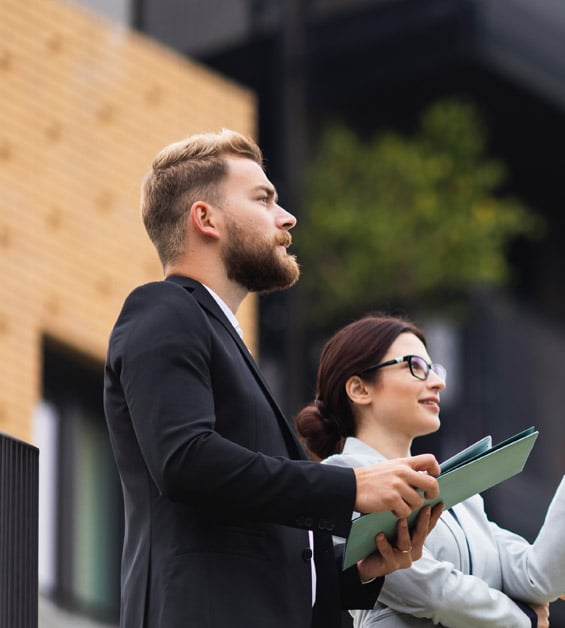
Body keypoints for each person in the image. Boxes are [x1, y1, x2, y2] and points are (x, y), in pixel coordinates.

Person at [103, 129, 447, 627]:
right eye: (263, 199)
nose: (286, 219)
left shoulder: (225, 339)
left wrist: (362, 569)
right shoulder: (163, 308)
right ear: (206, 218)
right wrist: (348, 486)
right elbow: (185, 460)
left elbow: (264, 551)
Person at [295, 315, 565, 628]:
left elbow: (541, 578)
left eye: (435, 369)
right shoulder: (345, 479)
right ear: (359, 389)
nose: (437, 382)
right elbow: (431, 592)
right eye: (416, 366)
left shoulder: (460, 497)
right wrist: (520, 619)